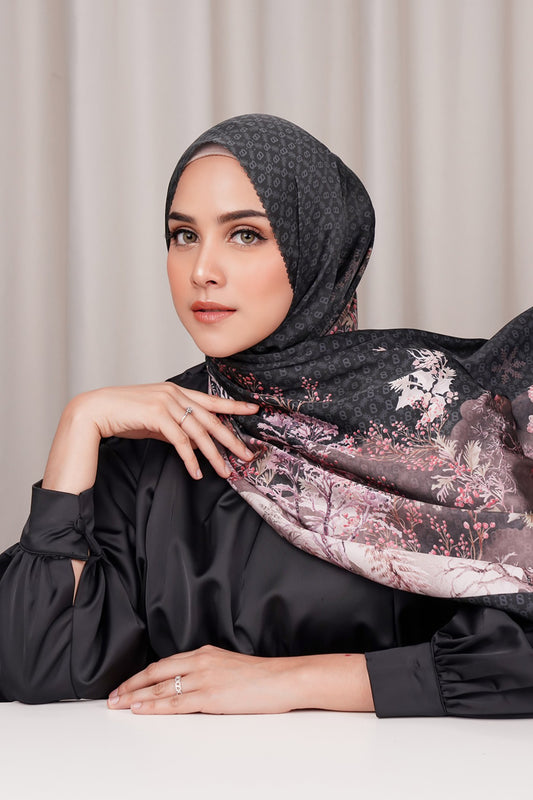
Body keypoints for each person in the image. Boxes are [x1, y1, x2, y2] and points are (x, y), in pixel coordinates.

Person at [1, 114, 533, 717]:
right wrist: (80, 422)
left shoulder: (443, 421)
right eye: (183, 235)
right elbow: (32, 664)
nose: (202, 270)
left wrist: (295, 682)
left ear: (317, 249)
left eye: (245, 234)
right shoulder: (150, 448)